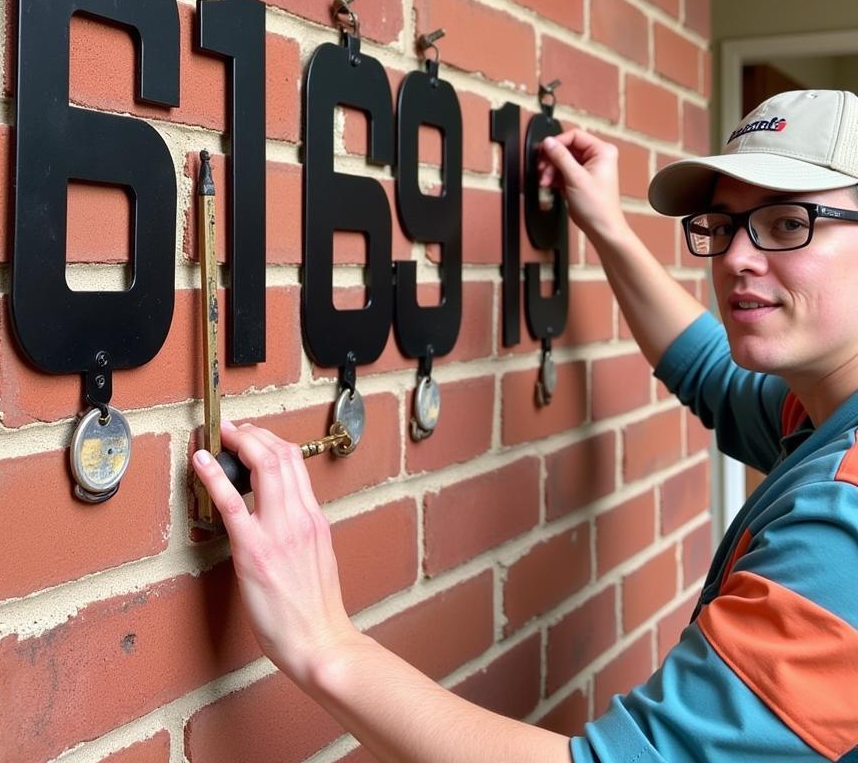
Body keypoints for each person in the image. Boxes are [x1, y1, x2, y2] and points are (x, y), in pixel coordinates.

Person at [192, 87, 858, 761]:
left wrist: (323, 644)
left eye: (785, 222)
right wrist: (605, 224)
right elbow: (709, 369)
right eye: (724, 223)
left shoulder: (843, 523)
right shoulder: (823, 406)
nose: (736, 258)